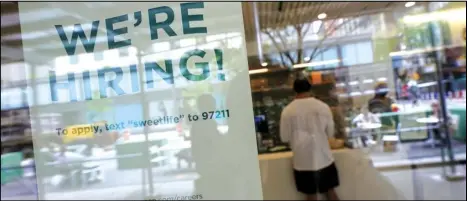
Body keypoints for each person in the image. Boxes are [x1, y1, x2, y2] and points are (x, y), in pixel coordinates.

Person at [280, 79, 340, 201]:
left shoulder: (287, 111)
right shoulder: (323, 107)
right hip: (324, 158)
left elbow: (284, 137)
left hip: (302, 161)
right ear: (310, 89)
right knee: (331, 193)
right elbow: (330, 133)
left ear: (294, 90)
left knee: (311, 196)